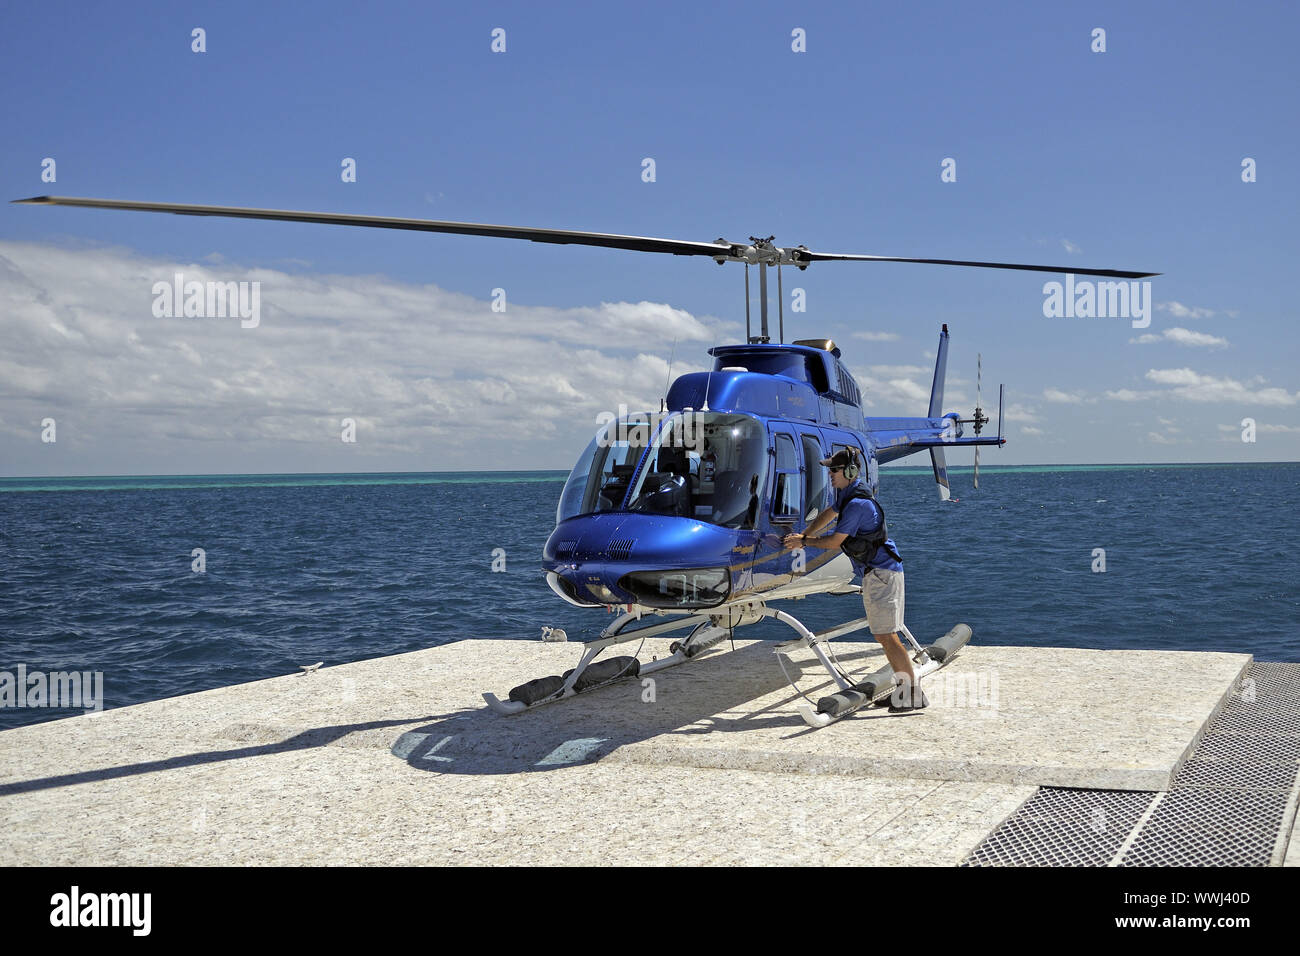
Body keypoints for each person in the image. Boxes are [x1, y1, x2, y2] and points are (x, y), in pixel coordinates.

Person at [781, 448, 927, 712]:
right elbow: (828, 513)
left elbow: (835, 543)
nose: (830, 475)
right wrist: (806, 532)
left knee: (886, 635)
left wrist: (803, 541)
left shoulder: (858, 504)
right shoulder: (848, 496)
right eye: (829, 470)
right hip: (877, 572)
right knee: (885, 635)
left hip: (881, 574)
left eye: (834, 470)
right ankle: (903, 689)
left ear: (850, 472)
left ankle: (912, 694)